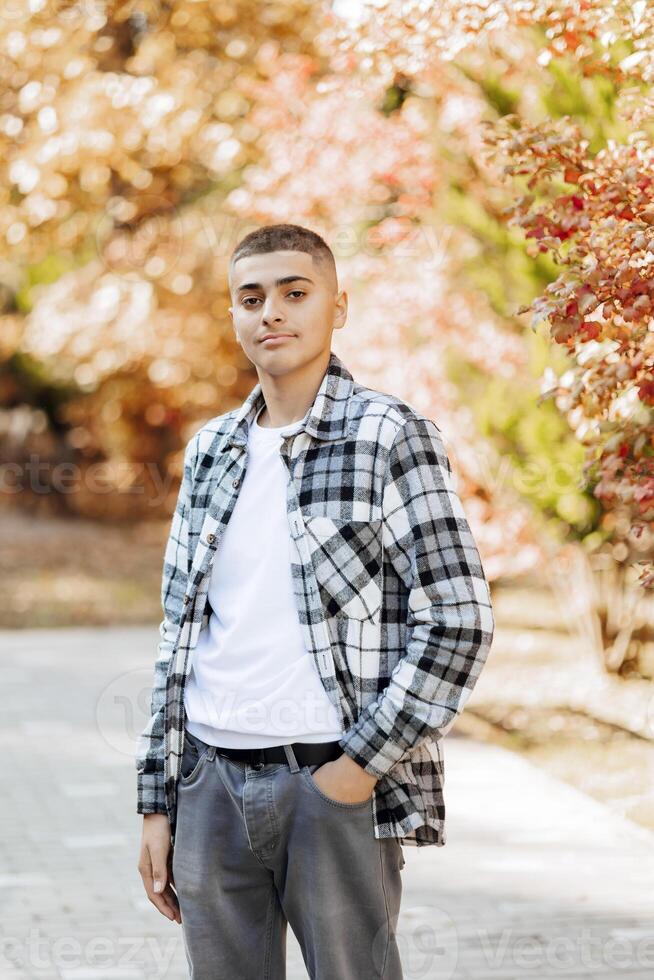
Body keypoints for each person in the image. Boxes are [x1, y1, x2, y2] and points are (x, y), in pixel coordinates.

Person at [136, 222, 495, 979]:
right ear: (234, 316)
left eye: (295, 293)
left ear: (338, 306)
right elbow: (178, 636)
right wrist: (159, 801)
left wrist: (359, 766)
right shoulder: (210, 451)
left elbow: (457, 620)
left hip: (330, 784)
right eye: (252, 297)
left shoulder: (388, 435)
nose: (272, 312)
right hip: (208, 783)